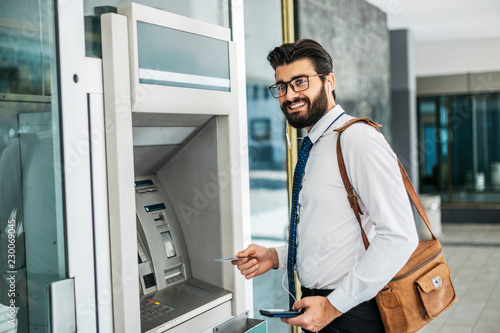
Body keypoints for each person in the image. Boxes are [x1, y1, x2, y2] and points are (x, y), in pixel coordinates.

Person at [232, 39, 419, 332]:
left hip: (352, 310)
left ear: (329, 81)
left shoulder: (357, 138)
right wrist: (275, 256)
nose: (290, 94)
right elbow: (329, 236)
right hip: (322, 307)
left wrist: (334, 306)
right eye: (281, 86)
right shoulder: (315, 144)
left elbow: (400, 236)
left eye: (300, 82)